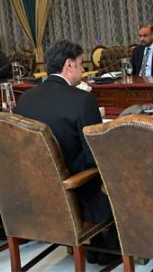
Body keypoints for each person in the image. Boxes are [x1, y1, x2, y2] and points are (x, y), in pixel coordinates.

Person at [14, 40, 110, 223]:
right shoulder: (83, 100)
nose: (83, 70)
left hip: (35, 196)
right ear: (69, 64)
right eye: (81, 63)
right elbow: (96, 157)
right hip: (77, 197)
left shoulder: (25, 99)